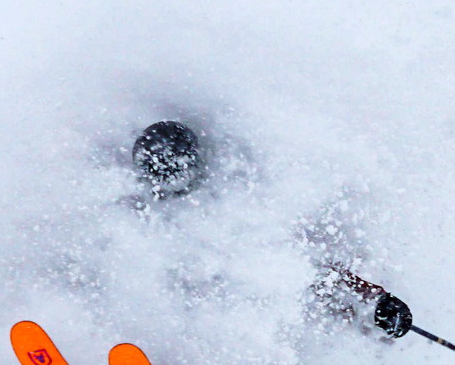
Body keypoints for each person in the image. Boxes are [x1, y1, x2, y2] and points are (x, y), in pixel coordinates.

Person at [131, 119, 413, 339]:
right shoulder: (136, 218)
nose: (168, 179)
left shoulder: (240, 199)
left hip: (249, 319)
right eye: (158, 172)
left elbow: (313, 269)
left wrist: (374, 302)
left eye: (174, 170)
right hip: (186, 322)